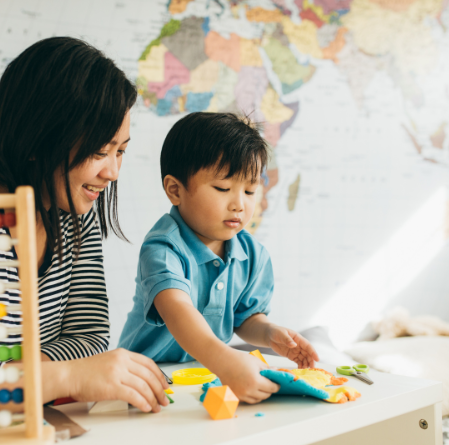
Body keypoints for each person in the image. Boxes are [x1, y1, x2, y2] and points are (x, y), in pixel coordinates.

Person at [0, 37, 168, 414]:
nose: (112, 172)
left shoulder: (75, 214)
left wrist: (19, 378)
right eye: (98, 151)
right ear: (39, 137)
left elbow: (88, 338)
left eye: (120, 151)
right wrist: (59, 377)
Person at [118, 112, 319, 404]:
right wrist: (227, 361)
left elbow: (244, 318)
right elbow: (178, 312)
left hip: (205, 376)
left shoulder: (252, 254)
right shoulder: (162, 248)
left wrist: (269, 333)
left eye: (250, 190)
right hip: (145, 380)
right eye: (223, 188)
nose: (239, 204)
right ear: (175, 190)